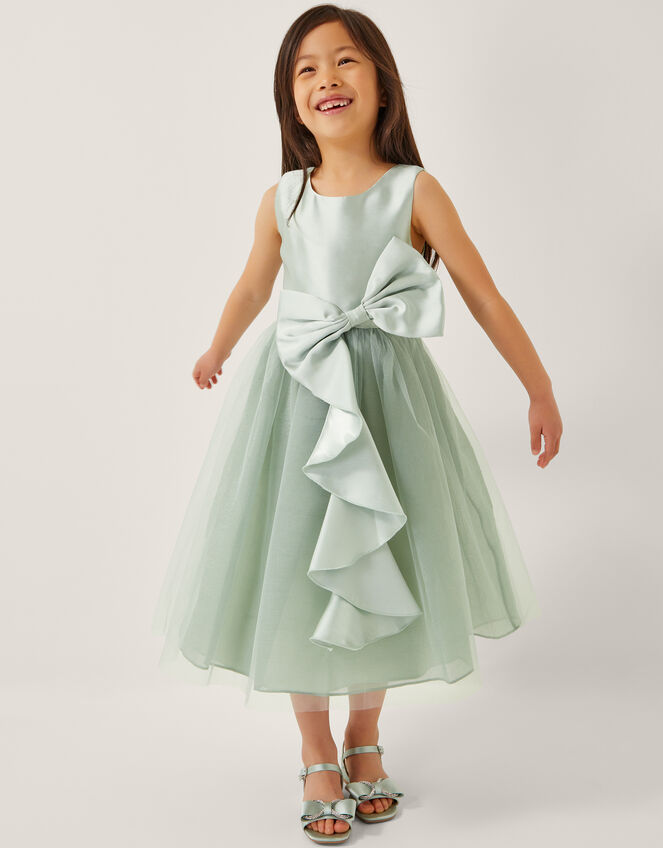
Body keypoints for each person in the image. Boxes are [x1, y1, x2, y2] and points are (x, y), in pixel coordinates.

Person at [152, 4, 561, 842]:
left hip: (385, 405)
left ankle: (363, 734)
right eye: (305, 69)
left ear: (381, 85)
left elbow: (482, 295)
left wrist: (538, 386)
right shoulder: (283, 198)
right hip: (296, 403)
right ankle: (313, 746)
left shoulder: (415, 190)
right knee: (300, 566)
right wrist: (217, 346)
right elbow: (253, 285)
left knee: (378, 562)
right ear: (290, 101)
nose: (326, 79)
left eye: (345, 61)